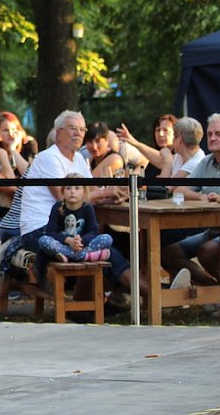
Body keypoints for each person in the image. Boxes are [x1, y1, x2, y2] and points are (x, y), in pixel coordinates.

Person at [19, 111, 147, 297]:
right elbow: (65, 198)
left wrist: (113, 195)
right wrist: (106, 192)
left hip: (71, 231)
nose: (79, 134)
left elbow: (90, 191)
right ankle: (155, 296)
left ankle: (111, 298)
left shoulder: (79, 159)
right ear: (58, 132)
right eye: (73, 129)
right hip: (41, 231)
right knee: (108, 251)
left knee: (118, 242)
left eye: (82, 129)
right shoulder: (49, 158)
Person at [162, 113, 220, 286]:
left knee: (207, 250)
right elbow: (180, 189)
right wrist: (200, 196)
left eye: (218, 134)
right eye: (210, 134)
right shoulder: (206, 162)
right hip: (213, 230)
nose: (212, 138)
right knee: (170, 253)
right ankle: (215, 287)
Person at [38, 174, 113, 262]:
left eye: (77, 188)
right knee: (43, 240)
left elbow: (93, 231)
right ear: (63, 191)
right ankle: (84, 256)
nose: (72, 192)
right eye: (68, 188)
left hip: (82, 246)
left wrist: (80, 241)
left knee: (107, 238)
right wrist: (69, 240)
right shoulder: (57, 207)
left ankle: (72, 255)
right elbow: (50, 232)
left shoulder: (87, 207)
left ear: (84, 192)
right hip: (63, 245)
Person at [116, 114, 177, 180]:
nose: (161, 134)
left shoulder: (179, 157)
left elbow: (164, 160)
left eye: (165, 130)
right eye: (158, 130)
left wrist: (134, 142)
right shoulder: (150, 160)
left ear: (176, 133)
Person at [0, 111, 38, 175]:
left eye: (13, 129)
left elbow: (31, 175)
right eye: (5, 130)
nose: (11, 134)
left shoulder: (28, 143)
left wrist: (12, 149)